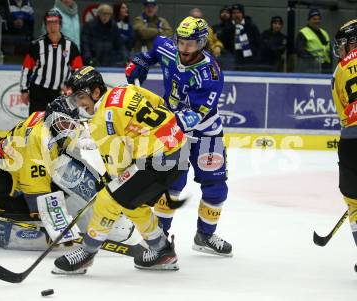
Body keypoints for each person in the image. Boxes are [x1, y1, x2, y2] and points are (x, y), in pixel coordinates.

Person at [52, 66, 188, 274]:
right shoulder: (124, 89)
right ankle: (162, 251)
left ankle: (87, 254)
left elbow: (118, 166)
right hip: (178, 148)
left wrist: (112, 181)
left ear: (95, 92)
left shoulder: (100, 121)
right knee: (129, 199)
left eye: (81, 97)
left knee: (109, 198)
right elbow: (158, 102)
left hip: (159, 160)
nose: (79, 104)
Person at [125, 16, 232, 256]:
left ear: (202, 43)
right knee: (172, 184)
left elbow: (196, 115)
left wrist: (158, 128)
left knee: (216, 187)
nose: (185, 48)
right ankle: (159, 238)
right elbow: (149, 55)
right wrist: (139, 63)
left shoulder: (211, 75)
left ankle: (205, 235)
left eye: (191, 44)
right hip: (172, 126)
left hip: (205, 132)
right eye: (181, 42)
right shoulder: (165, 46)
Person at [20, 9, 83, 115]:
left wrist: (72, 88)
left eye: (55, 22)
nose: (52, 25)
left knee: (60, 124)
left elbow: (78, 70)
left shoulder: (71, 46)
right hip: (39, 91)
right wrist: (24, 90)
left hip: (61, 92)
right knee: (36, 124)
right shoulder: (36, 45)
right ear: (45, 25)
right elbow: (27, 68)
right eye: (49, 22)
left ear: (60, 24)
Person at [331, 19, 357, 267]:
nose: (340, 49)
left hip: (351, 141)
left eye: (342, 43)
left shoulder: (339, 70)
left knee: (354, 201)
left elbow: (342, 115)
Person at [295, 8, 332, 73]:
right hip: (310, 67)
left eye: (318, 19)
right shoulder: (303, 33)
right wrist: (312, 59)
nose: (317, 21)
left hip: (326, 67)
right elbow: (300, 51)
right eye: (314, 19)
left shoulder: (324, 32)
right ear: (309, 20)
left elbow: (329, 48)